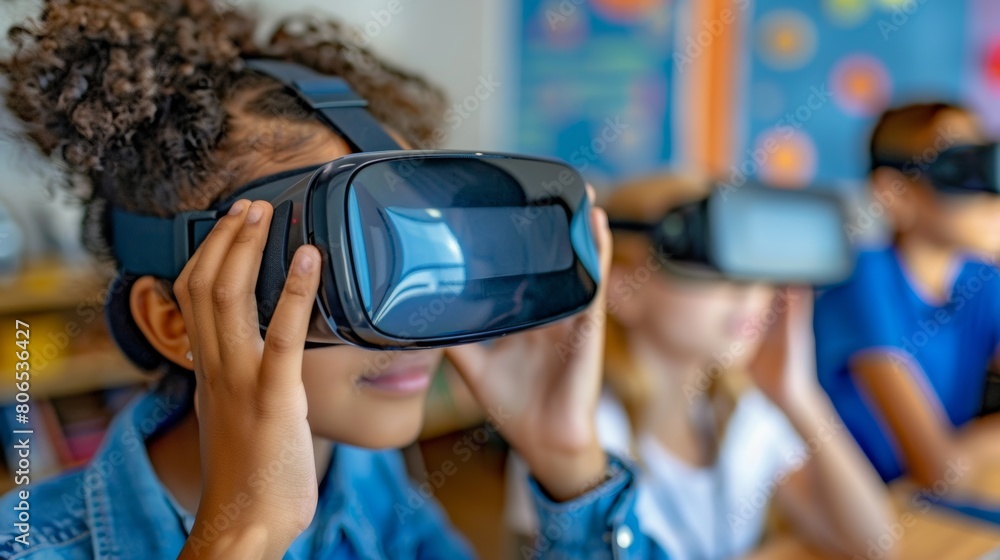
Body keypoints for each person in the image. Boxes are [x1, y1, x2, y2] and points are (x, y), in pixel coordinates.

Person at [0, 1, 659, 558]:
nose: (418, 327)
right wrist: (242, 535)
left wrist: (569, 463)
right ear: (177, 321)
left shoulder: (366, 484)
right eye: (356, 266)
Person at [507, 175, 897, 560]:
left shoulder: (746, 414)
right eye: (710, 263)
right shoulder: (575, 433)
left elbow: (874, 544)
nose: (750, 289)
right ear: (621, 289)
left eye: (755, 263)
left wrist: (800, 396)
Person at [814, 103, 1000, 498]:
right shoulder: (864, 281)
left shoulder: (980, 280)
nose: (989, 191)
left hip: (926, 510)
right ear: (895, 194)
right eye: (962, 169)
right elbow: (939, 470)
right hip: (854, 515)